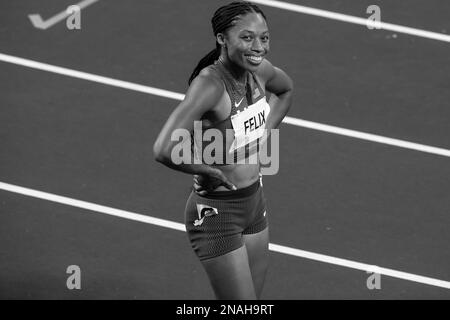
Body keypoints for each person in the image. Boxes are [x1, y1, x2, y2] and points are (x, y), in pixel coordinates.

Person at [153, 1, 293, 299]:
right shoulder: (210, 86)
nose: (259, 47)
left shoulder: (260, 72)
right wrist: (205, 170)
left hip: (254, 201)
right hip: (217, 213)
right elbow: (164, 148)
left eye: (264, 38)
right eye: (247, 37)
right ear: (221, 39)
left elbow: (286, 90)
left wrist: (266, 132)